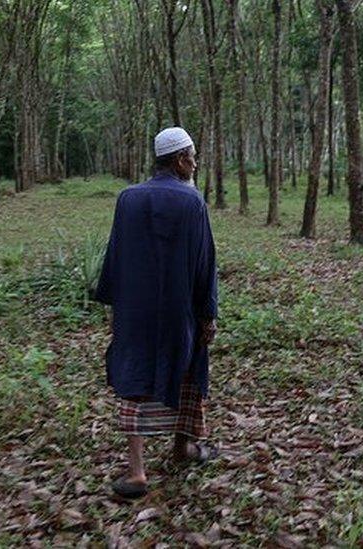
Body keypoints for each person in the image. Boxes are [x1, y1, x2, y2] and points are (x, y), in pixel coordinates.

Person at [93, 127, 219, 499]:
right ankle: (181, 448)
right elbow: (204, 264)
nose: (195, 164)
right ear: (181, 160)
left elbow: (114, 256)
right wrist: (208, 313)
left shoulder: (127, 199)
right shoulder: (192, 202)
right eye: (193, 157)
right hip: (179, 310)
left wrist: (115, 307)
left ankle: (137, 472)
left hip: (135, 311)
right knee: (188, 371)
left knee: (134, 377)